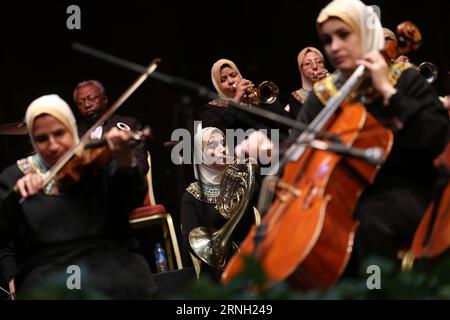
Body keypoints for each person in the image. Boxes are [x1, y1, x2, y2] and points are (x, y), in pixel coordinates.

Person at [237, 0, 449, 278]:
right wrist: (274, 150)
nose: (334, 46)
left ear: (364, 34)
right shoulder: (322, 96)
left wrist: (388, 91)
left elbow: (436, 136)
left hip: (405, 188)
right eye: (327, 39)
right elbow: (300, 153)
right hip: (339, 197)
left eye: (343, 35)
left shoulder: (403, 80)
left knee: (366, 225)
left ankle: (377, 293)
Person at [0, 94, 157, 299]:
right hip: (49, 271)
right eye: (42, 138)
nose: (53, 145)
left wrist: (125, 160)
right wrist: (16, 195)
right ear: (31, 140)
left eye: (59, 133)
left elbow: (131, 199)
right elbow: (4, 234)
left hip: (109, 263)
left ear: (72, 130)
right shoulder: (14, 176)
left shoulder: (96, 163)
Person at [180, 127, 254, 280]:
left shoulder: (241, 183)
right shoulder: (190, 197)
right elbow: (191, 242)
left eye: (224, 143)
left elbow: (252, 223)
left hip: (247, 257)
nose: (222, 149)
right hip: (215, 268)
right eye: (213, 146)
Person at [198, 59, 290, 140]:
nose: (231, 81)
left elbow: (285, 121)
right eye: (223, 80)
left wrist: (262, 102)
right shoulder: (210, 109)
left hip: (277, 148)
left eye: (233, 75)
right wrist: (236, 100)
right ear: (217, 85)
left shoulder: (254, 98)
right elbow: (213, 134)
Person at [73, 80, 149, 176]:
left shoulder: (128, 124)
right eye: (81, 103)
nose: (87, 105)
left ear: (104, 99)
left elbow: (141, 167)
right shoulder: (74, 132)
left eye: (91, 99)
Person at [285, 47, 329, 119]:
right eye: (308, 63)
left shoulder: (336, 84)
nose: (315, 66)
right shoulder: (295, 101)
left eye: (318, 62)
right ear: (301, 69)